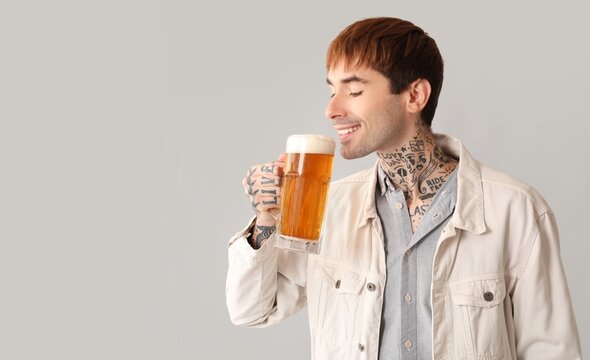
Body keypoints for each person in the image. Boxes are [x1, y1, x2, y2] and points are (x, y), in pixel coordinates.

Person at [225, 17, 581, 359]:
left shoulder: (515, 209)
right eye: (332, 90)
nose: (331, 109)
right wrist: (267, 219)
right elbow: (252, 310)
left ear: (415, 95)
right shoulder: (329, 209)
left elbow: (551, 350)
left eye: (353, 90)